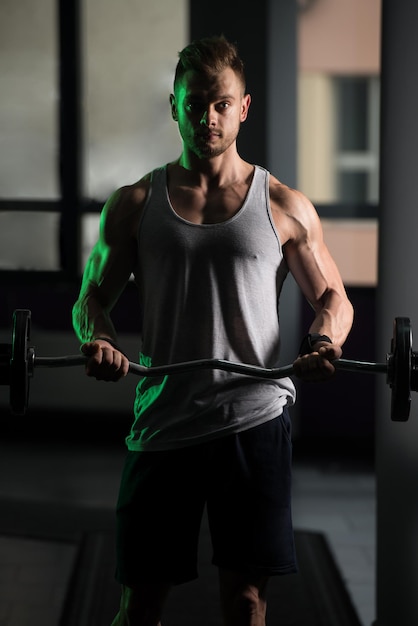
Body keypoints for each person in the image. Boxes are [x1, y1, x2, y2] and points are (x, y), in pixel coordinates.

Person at [72, 35, 353, 626]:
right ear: (173, 106)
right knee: (139, 604)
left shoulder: (283, 205)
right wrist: (97, 337)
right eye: (194, 103)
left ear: (243, 107)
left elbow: (334, 297)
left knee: (247, 603)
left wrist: (324, 340)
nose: (207, 117)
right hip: (163, 421)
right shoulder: (134, 204)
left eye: (221, 103)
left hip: (253, 420)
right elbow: (92, 297)